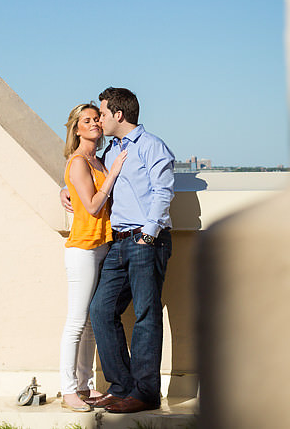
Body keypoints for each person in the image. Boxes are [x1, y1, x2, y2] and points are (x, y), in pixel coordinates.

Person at [83, 87, 175, 414]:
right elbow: (95, 180)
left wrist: (148, 236)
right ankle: (122, 387)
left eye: (104, 114)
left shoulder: (152, 147)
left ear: (119, 115)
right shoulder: (111, 152)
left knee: (146, 316)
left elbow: (163, 193)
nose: (100, 120)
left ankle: (145, 393)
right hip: (118, 242)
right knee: (101, 311)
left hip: (146, 242)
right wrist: (67, 190)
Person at [59, 103, 127, 412]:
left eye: (96, 118)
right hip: (83, 248)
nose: (94, 123)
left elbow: (77, 189)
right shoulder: (79, 161)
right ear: (76, 129)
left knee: (89, 324)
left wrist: (65, 188)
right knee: (76, 321)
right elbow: (93, 205)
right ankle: (68, 390)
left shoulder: (95, 160)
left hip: (102, 245)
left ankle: (85, 387)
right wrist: (113, 174)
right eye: (86, 120)